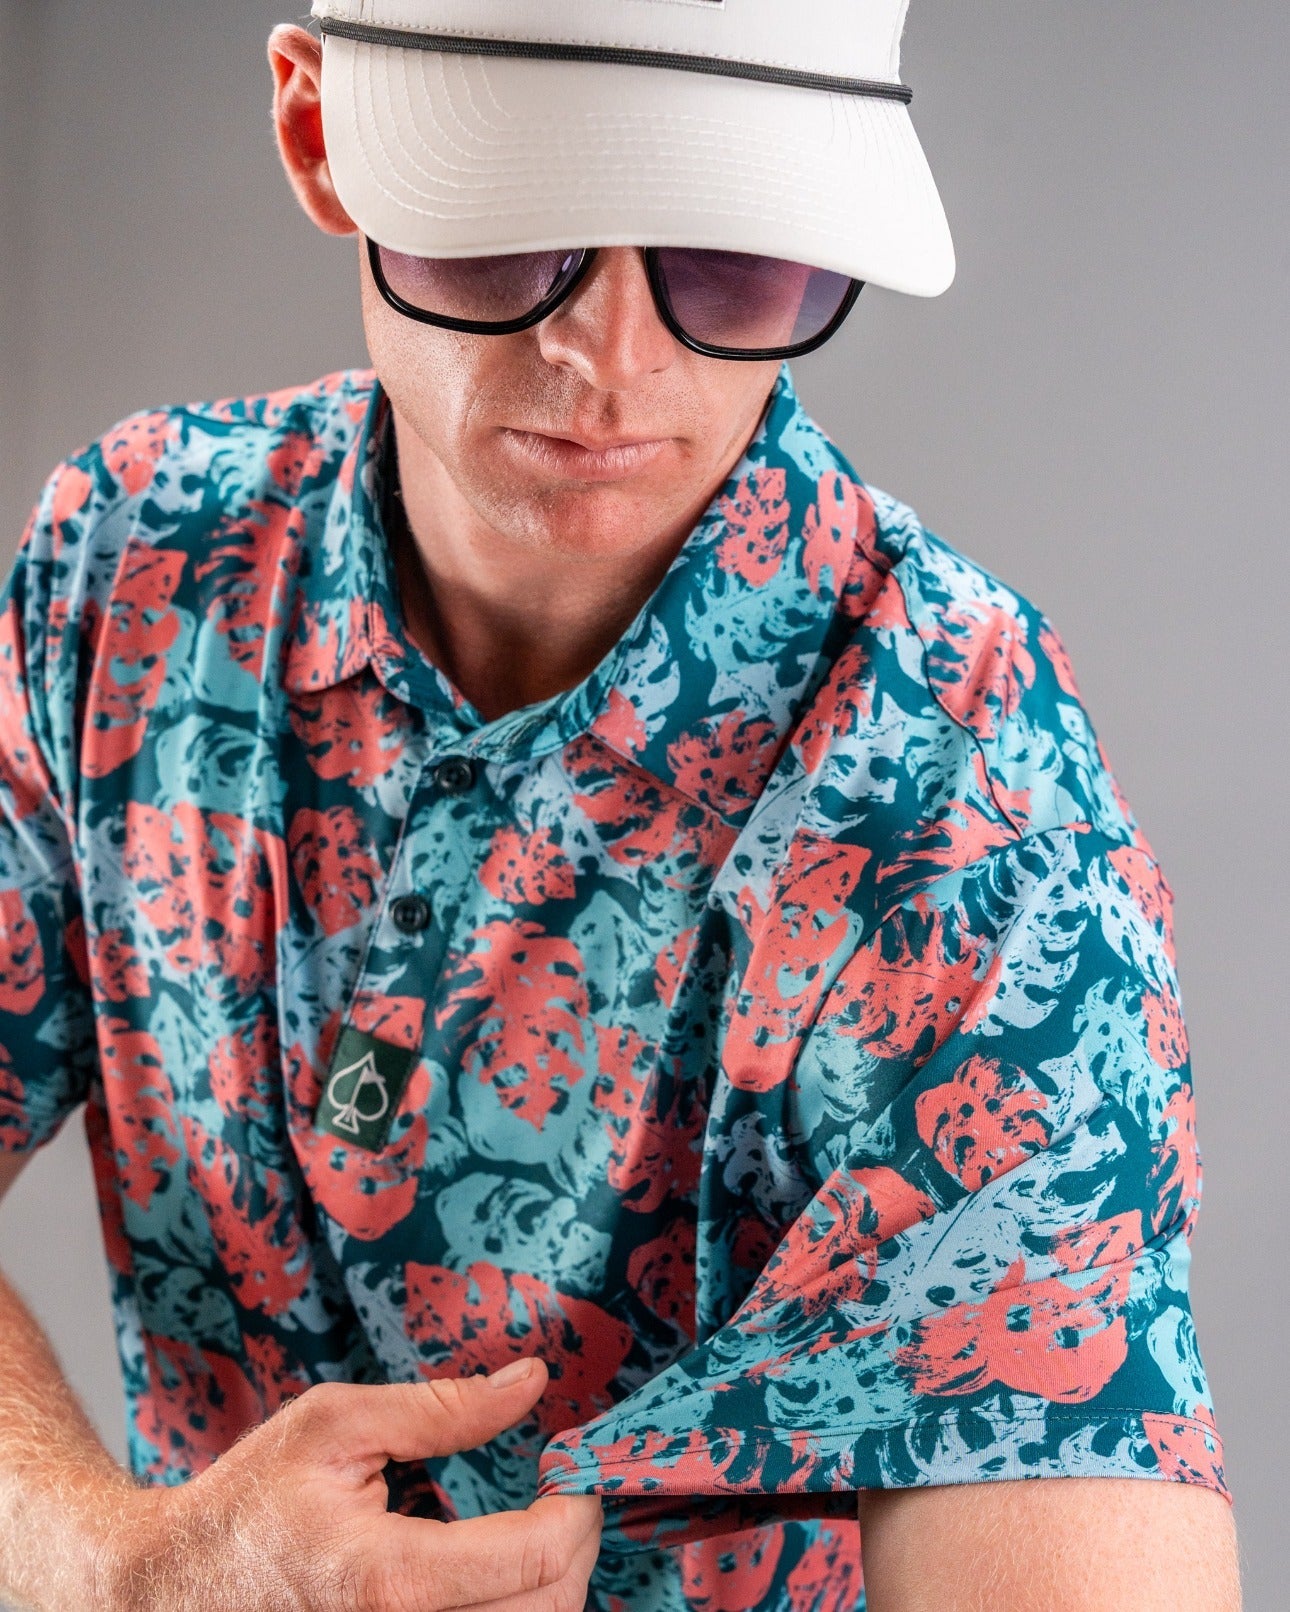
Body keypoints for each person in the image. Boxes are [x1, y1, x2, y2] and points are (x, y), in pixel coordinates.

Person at [0, 2, 1242, 1609]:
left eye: (729, 254)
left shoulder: (963, 817)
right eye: (510, 224)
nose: (608, 353)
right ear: (319, 134)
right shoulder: (136, 561)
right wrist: (118, 1566)